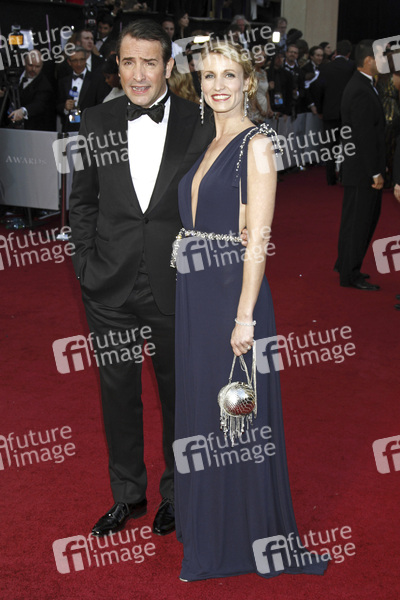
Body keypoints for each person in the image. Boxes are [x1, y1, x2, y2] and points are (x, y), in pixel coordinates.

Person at [173, 40, 329, 582]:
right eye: (209, 75)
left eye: (229, 75)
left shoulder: (256, 144)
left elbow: (258, 238)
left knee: (232, 418)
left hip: (232, 300)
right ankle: (206, 527)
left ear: (248, 82)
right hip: (196, 296)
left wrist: (244, 318)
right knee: (204, 413)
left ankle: (232, 542)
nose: (218, 85)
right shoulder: (211, 139)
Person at [68, 19, 214, 538]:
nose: (138, 74)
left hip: (174, 283)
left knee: (178, 396)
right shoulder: (95, 120)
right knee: (117, 396)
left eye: (149, 62)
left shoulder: (200, 120)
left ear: (168, 66)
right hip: (108, 285)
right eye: (128, 62)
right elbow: (82, 202)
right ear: (118, 65)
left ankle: (175, 492)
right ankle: (127, 495)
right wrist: (86, 266)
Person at [335, 40, 385, 290]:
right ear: (368, 60)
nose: (383, 63)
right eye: (379, 58)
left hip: (358, 168)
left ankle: (345, 264)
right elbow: (364, 136)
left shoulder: (364, 85)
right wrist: (375, 172)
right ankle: (349, 273)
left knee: (355, 221)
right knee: (359, 223)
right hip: (362, 170)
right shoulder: (360, 89)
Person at [315, 40, 355, 185]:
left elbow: (319, 89)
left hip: (329, 113)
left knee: (330, 146)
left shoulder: (325, 67)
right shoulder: (353, 67)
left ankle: (330, 178)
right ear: (349, 54)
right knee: (348, 146)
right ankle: (344, 176)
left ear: (336, 52)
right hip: (348, 114)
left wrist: (320, 110)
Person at [57, 46, 108, 132]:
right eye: (75, 60)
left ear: (86, 60)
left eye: (82, 60)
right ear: (69, 62)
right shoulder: (63, 81)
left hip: (90, 128)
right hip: (69, 128)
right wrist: (65, 107)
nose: (79, 64)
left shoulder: (97, 80)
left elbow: (101, 104)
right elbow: (57, 104)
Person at [7, 49, 55, 131]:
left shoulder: (45, 84)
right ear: (25, 63)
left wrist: (23, 111)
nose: (33, 69)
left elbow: (39, 104)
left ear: (42, 66)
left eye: (37, 66)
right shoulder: (14, 75)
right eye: (30, 65)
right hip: (7, 127)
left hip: (31, 129)